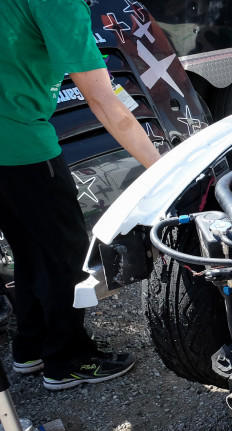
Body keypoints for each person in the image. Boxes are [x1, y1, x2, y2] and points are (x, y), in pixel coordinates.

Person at [0, 0, 162, 390]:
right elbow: (106, 101)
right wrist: (164, 170)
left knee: (30, 249)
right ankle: (66, 359)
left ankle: (31, 347)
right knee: (67, 252)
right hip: (23, 146)